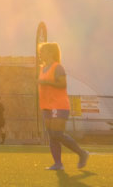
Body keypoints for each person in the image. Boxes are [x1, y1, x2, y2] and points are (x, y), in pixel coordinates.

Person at [39, 42, 90, 170]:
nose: (40, 54)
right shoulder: (42, 68)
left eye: (42, 51)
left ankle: (82, 153)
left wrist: (45, 82)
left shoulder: (58, 67)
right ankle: (58, 164)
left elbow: (62, 84)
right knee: (51, 135)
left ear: (50, 52)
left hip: (59, 105)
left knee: (57, 134)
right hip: (46, 106)